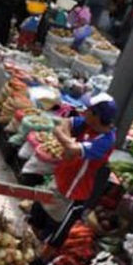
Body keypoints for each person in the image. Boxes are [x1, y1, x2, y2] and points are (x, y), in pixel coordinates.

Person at [31, 94, 117, 251]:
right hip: (57, 181)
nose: (84, 111)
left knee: (55, 236)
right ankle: (29, 244)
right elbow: (64, 123)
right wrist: (68, 140)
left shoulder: (105, 141)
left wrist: (66, 141)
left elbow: (70, 146)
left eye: (88, 109)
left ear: (96, 116)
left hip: (72, 195)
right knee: (35, 217)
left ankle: (40, 262)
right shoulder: (87, 124)